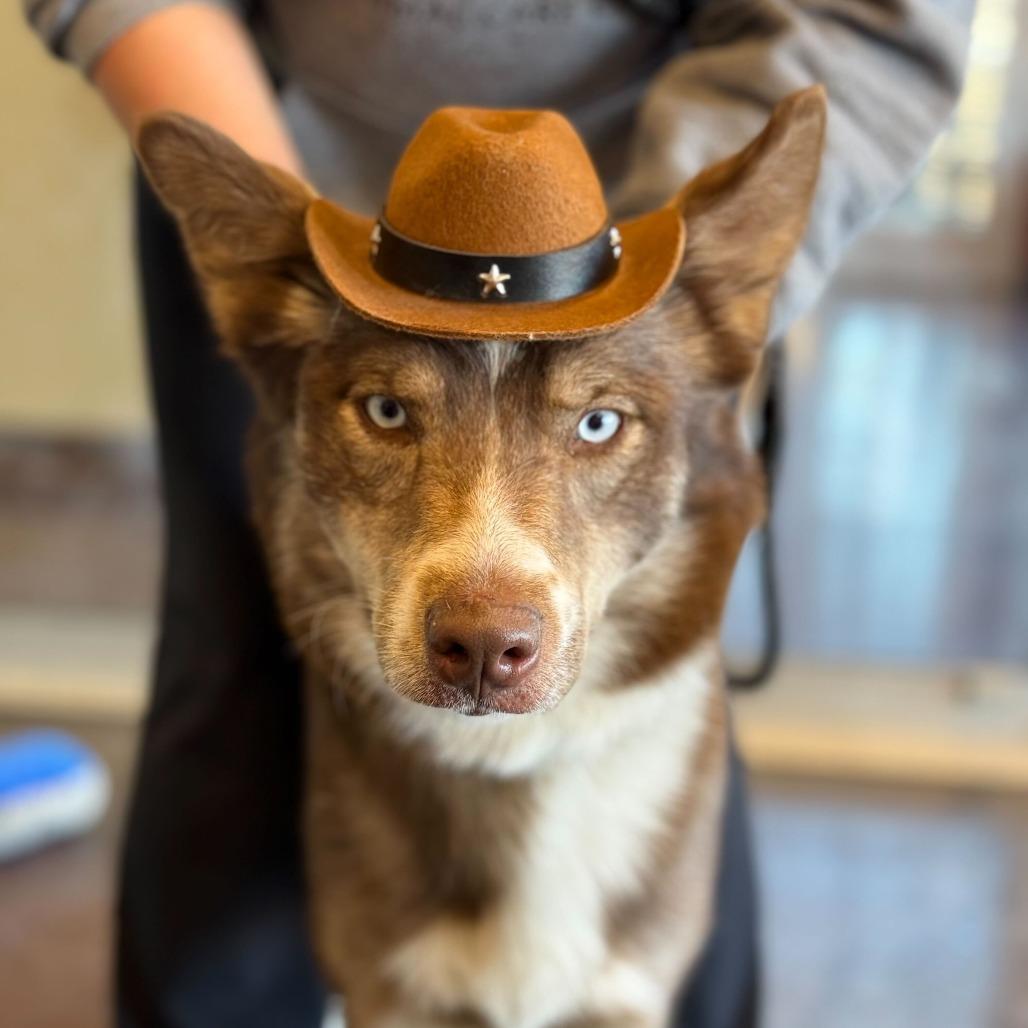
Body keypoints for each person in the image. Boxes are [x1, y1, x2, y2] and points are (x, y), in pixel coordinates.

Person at [24, 2, 971, 1026]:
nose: (486, 596)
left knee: (676, 750)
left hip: (652, 191)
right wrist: (305, 254)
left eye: (600, 424)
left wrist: (636, 299)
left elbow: (871, 20)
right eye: (389, 413)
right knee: (231, 691)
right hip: (274, 159)